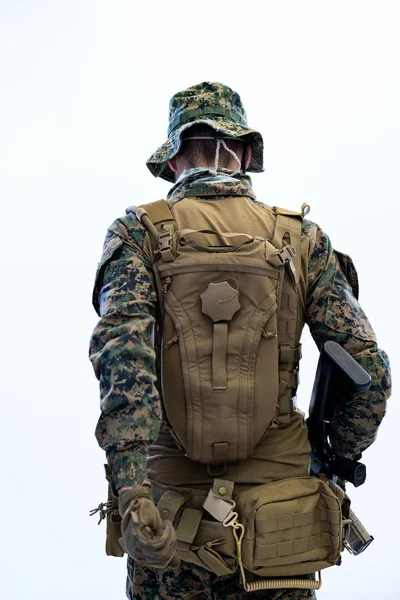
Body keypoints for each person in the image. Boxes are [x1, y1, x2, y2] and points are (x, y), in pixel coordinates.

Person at [89, 82, 391, 600]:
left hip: (168, 526)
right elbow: (367, 372)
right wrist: (334, 458)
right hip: (282, 531)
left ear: (174, 158)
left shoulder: (138, 233)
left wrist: (131, 489)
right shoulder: (301, 240)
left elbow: (124, 360)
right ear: (247, 154)